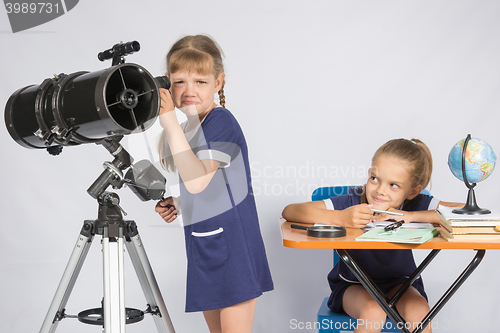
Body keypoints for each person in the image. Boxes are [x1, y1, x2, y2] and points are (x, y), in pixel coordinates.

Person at [154, 35, 273, 333]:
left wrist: (168, 120)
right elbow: (211, 186)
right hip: (204, 245)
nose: (189, 91)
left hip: (233, 248)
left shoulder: (221, 121)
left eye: (200, 82)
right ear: (168, 84)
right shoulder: (189, 129)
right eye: (179, 82)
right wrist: (179, 203)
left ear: (218, 83)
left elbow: (196, 182)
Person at [282, 138, 462, 333]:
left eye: (394, 185)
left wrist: (411, 216)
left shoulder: (416, 204)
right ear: (369, 174)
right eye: (375, 179)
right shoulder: (353, 201)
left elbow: (464, 211)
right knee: (374, 311)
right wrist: (341, 217)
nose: (380, 190)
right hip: (353, 285)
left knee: (420, 311)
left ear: (412, 191)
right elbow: (290, 211)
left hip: (401, 283)